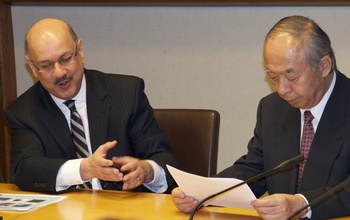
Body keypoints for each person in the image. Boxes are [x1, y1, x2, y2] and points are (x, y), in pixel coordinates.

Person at [172, 15, 350, 219]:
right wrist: (203, 194)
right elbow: (254, 169)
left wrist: (302, 204)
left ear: (324, 66)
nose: (282, 90)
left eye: (291, 77)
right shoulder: (272, 108)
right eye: (273, 77)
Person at [4, 17, 178, 193]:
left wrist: (148, 171)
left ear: (80, 51)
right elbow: (24, 169)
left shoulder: (126, 93)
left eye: (65, 59)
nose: (59, 72)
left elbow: (164, 160)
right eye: (46, 65)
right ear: (32, 67)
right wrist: (84, 169)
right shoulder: (23, 111)